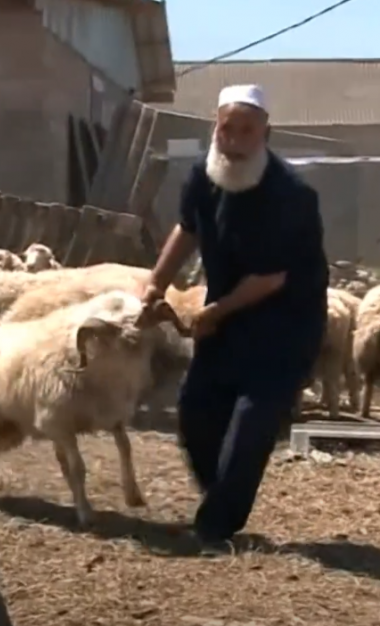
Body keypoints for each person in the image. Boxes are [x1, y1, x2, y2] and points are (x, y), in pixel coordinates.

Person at [140, 84, 329, 547]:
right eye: (227, 129)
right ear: (215, 129)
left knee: (250, 423)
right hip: (227, 315)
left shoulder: (290, 194)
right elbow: (187, 229)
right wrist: (154, 284)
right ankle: (221, 501)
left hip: (285, 324)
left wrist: (213, 312)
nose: (236, 140)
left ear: (265, 132)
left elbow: (269, 278)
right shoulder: (204, 177)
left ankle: (213, 528)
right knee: (195, 414)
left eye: (247, 130)